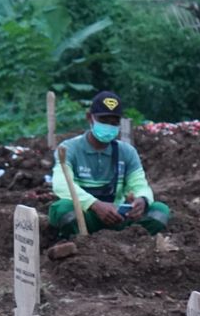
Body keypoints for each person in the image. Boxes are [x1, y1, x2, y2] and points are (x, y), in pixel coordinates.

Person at [48, 91, 169, 239]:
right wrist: (95, 205)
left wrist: (141, 200)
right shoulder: (69, 149)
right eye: (103, 120)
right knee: (62, 209)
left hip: (117, 218)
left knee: (160, 211)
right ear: (89, 118)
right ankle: (80, 241)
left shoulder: (127, 152)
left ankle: (126, 242)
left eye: (114, 122)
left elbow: (140, 185)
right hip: (85, 217)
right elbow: (61, 185)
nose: (109, 126)